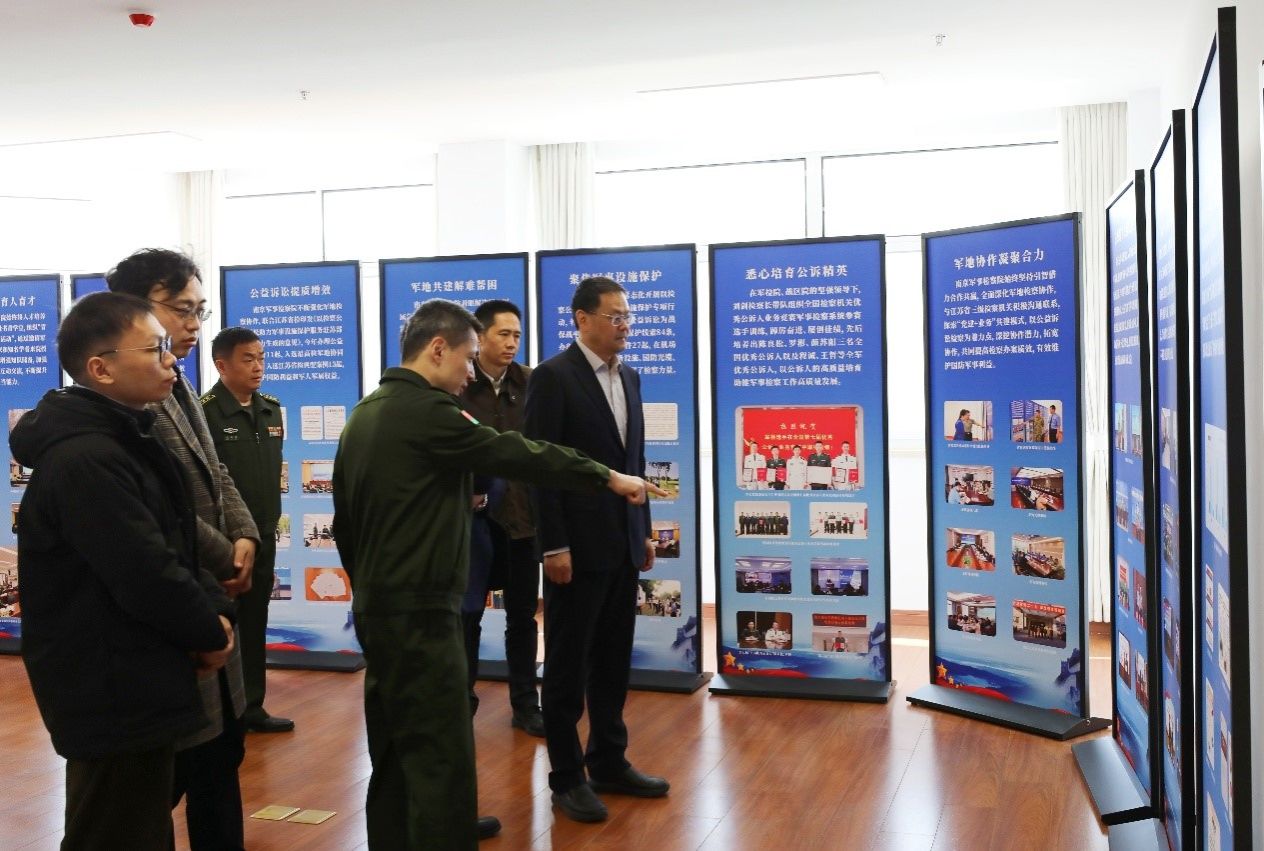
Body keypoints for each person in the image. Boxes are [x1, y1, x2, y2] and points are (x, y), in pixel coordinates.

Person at [332, 298, 659, 848]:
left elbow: (344, 522)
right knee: (441, 750)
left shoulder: (365, 413)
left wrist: (368, 585)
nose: (469, 374)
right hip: (422, 610)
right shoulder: (429, 411)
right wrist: (605, 475)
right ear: (438, 348)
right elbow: (516, 452)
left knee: (392, 745)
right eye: (466, 358)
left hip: (378, 605)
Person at [11, 292, 236, 848]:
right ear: (101, 369)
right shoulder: (85, 459)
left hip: (137, 676)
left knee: (139, 827)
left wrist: (215, 610)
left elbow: (174, 541)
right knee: (114, 832)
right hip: (109, 685)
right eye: (155, 347)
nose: (172, 358)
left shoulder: (125, 439)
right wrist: (208, 631)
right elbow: (144, 570)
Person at [108, 248, 256, 850]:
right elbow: (158, 508)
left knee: (220, 764)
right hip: (175, 611)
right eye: (181, 310)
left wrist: (244, 534)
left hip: (212, 597)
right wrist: (225, 554)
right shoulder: (126, 398)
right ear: (133, 311)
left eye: (201, 311)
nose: (194, 325)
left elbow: (214, 472)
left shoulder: (179, 383)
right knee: (158, 788)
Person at [524, 277, 670, 824]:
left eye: (627, 316)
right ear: (582, 319)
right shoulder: (553, 377)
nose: (624, 325)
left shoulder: (629, 376)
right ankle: (566, 777)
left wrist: (644, 530)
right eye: (614, 316)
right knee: (566, 667)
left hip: (623, 543)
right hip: (575, 549)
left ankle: (608, 759)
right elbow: (540, 467)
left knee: (612, 661)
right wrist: (553, 545)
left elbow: (634, 461)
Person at [457, 299, 546, 737]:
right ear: (480, 336)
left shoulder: (532, 383)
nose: (512, 343)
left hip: (522, 519)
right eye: (503, 334)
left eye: (517, 335)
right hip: (471, 523)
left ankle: (526, 704)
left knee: (523, 617)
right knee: (467, 616)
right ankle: (462, 704)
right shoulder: (458, 382)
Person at [202, 327, 294, 734]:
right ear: (221, 365)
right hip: (223, 541)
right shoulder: (206, 412)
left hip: (264, 534)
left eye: (261, 357)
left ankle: (251, 705)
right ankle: (220, 710)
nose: (258, 366)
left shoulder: (271, 409)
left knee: (256, 620)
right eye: (247, 359)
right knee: (221, 620)